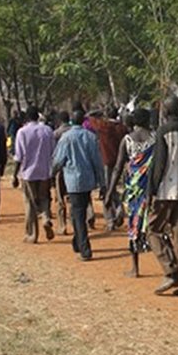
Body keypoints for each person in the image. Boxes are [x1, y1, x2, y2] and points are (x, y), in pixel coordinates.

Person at [147, 96, 178, 296]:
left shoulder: (163, 132)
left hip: (166, 190)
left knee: (153, 230)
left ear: (165, 112)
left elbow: (159, 164)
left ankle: (170, 270)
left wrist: (151, 191)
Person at [106, 108, 156, 277]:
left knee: (134, 226)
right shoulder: (155, 139)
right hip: (152, 189)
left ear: (134, 122)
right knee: (155, 226)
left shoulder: (127, 141)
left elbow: (117, 169)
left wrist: (109, 193)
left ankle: (135, 268)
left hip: (134, 191)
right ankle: (169, 264)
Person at [53, 110, 105, 261]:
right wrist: (102, 183)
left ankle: (85, 250)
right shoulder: (90, 137)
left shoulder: (66, 138)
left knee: (78, 215)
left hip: (73, 181)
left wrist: (52, 172)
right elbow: (97, 162)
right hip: (88, 181)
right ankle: (77, 242)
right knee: (79, 212)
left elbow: (58, 160)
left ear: (71, 120)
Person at [12, 105, 56, 243]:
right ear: (38, 116)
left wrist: (14, 175)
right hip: (45, 171)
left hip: (28, 173)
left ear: (26, 117)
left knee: (30, 202)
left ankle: (32, 234)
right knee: (44, 198)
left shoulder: (22, 132)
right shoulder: (48, 130)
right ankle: (46, 218)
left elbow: (19, 156)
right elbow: (54, 152)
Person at [89, 105, 128, 230]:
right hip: (120, 161)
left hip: (106, 161)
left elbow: (89, 118)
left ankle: (110, 220)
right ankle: (120, 208)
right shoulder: (122, 128)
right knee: (115, 187)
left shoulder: (103, 127)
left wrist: (98, 112)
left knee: (107, 189)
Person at [53, 111, 72, 235]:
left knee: (60, 198)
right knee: (73, 197)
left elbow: (54, 154)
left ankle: (62, 226)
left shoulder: (56, 134)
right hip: (73, 169)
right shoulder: (74, 132)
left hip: (60, 169)